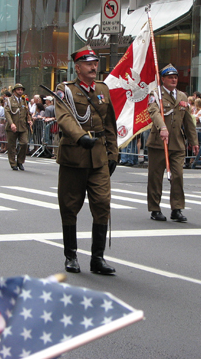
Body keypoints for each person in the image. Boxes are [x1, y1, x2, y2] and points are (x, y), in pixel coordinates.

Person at [54, 46, 118, 275]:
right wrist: (80, 137)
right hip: (74, 156)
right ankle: (71, 256)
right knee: (70, 206)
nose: (93, 67)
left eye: (95, 63)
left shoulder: (102, 89)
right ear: (78, 67)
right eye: (88, 64)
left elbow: (109, 123)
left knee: (102, 203)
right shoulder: (65, 90)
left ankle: (97, 259)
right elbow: (64, 117)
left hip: (99, 157)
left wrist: (113, 152)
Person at [147, 64, 199, 222]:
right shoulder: (156, 94)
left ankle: (176, 208)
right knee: (155, 177)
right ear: (163, 79)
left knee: (178, 176)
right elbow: (154, 112)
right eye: (170, 77)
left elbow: (188, 121)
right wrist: (162, 127)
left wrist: (193, 141)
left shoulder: (182, 96)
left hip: (177, 143)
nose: (174, 80)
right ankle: (155, 208)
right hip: (159, 143)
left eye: (175, 77)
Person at [4, 83, 32, 171]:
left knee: (24, 143)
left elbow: (28, 112)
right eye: (18, 90)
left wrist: (30, 120)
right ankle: (13, 163)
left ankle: (20, 161)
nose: (20, 91)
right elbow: (7, 113)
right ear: (14, 91)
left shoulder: (24, 101)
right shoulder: (9, 100)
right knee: (11, 146)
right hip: (13, 126)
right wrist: (11, 124)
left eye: (21, 90)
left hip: (23, 126)